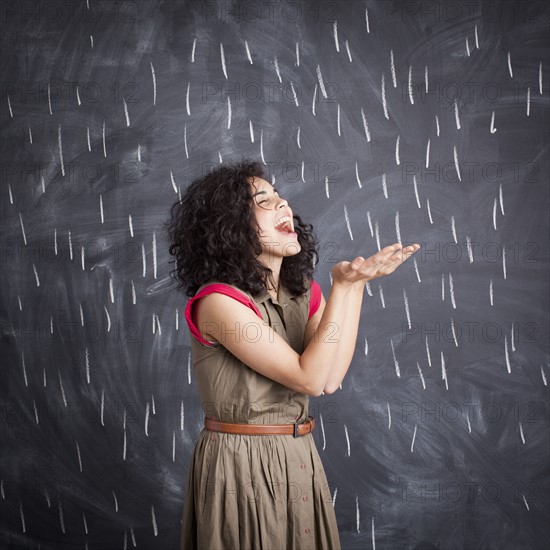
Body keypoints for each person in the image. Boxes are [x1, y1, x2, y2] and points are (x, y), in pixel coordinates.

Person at [166, 159, 419, 549]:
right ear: (230, 224)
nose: (284, 205)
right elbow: (310, 378)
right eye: (264, 200)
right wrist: (343, 287)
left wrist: (355, 287)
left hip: (298, 455)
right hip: (240, 464)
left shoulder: (303, 292)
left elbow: (330, 379)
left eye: (282, 198)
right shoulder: (218, 302)